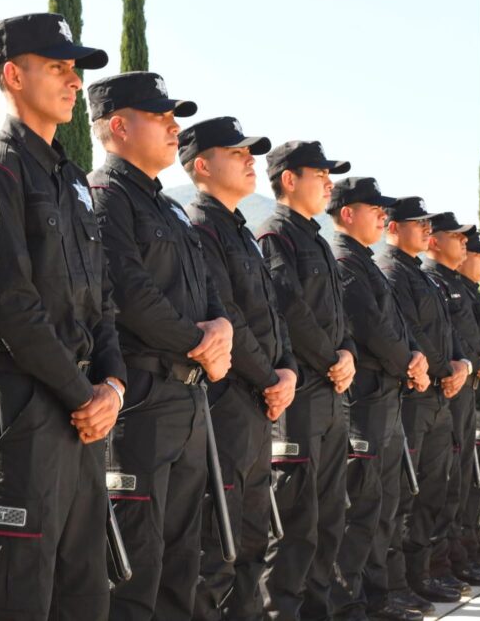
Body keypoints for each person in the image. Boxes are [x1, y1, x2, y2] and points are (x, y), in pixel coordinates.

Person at [0, 14, 126, 621]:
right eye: (57, 67)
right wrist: (85, 397)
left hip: (82, 412)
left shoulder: (71, 181)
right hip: (25, 412)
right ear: (12, 75)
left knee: (83, 592)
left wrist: (112, 385)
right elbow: (8, 304)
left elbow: (101, 298)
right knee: (13, 594)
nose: (74, 81)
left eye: (73, 69)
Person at [88, 72, 233, 620]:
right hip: (144, 398)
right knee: (136, 562)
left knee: (181, 558)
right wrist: (200, 341)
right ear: (120, 126)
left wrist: (221, 329)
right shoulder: (106, 197)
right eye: (160, 117)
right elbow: (130, 294)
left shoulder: (169, 207)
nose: (175, 128)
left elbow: (208, 290)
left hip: (188, 400)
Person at [178, 116, 298, 620]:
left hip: (257, 406)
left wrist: (287, 370)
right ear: (203, 166)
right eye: (237, 153)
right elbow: (226, 316)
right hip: (226, 404)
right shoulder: (200, 227)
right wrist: (271, 379)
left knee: (252, 538)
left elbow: (273, 316)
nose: (250, 160)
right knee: (218, 546)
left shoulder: (240, 230)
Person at [256, 140, 356, 620]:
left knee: (329, 516)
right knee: (295, 519)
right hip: (301, 397)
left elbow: (340, 317)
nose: (328, 184)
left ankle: (319, 610)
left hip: (331, 395)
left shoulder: (316, 239)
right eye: (320, 174)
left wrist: (348, 353)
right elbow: (289, 308)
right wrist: (332, 358)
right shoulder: (275, 236)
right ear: (290, 179)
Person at [327, 178, 429, 621]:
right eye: (375, 209)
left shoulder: (365, 263)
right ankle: (348, 603)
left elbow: (397, 325)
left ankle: (376, 595)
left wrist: (415, 356)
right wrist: (410, 362)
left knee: (384, 505)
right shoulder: (345, 262)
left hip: (386, 399)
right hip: (364, 401)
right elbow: (369, 327)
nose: (383, 217)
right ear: (348, 213)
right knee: (360, 508)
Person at [376, 199, 466, 609]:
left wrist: (461, 363)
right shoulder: (393, 270)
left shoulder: (419, 275)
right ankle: (401, 581)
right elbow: (411, 331)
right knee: (404, 496)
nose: (427, 230)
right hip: (415, 395)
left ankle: (423, 572)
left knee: (433, 489)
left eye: (429, 224)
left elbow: (447, 331)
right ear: (394, 228)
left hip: (438, 395)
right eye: (419, 223)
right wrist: (447, 368)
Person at [422, 213, 480, 589]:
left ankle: (461, 552)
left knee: (464, 482)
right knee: (447, 485)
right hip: (450, 393)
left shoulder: (460, 289)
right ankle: (440, 562)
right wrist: (478, 362)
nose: (479, 258)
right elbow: (446, 338)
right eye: (475, 251)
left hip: (469, 391)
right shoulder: (434, 281)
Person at [458, 229, 480, 570]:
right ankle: (465, 550)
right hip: (477, 400)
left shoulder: (474, 295)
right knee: (473, 483)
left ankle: (473, 545)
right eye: (479, 256)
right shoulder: (457, 294)